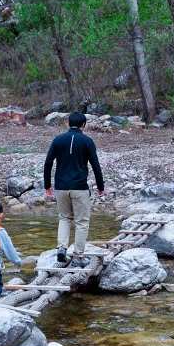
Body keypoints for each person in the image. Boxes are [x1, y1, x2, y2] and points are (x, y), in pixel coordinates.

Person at [44, 111, 105, 267]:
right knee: (81, 222)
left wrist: (47, 185)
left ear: (67, 123)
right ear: (83, 125)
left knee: (64, 218)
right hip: (79, 187)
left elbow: (48, 162)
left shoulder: (58, 140)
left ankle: (62, 248)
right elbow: (95, 166)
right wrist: (100, 187)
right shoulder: (87, 141)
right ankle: (78, 257)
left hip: (61, 187)